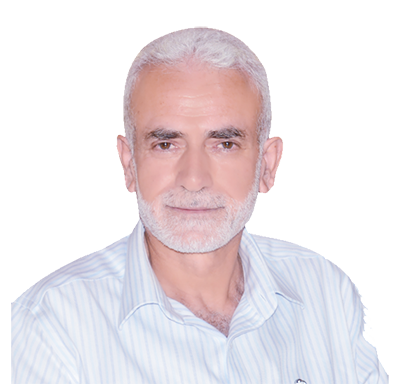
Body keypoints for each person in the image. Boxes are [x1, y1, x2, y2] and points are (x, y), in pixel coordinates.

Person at [11, 27, 387, 383]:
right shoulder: (53, 325)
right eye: (165, 144)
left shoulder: (328, 296)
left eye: (224, 144)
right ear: (129, 164)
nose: (193, 178)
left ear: (267, 165)